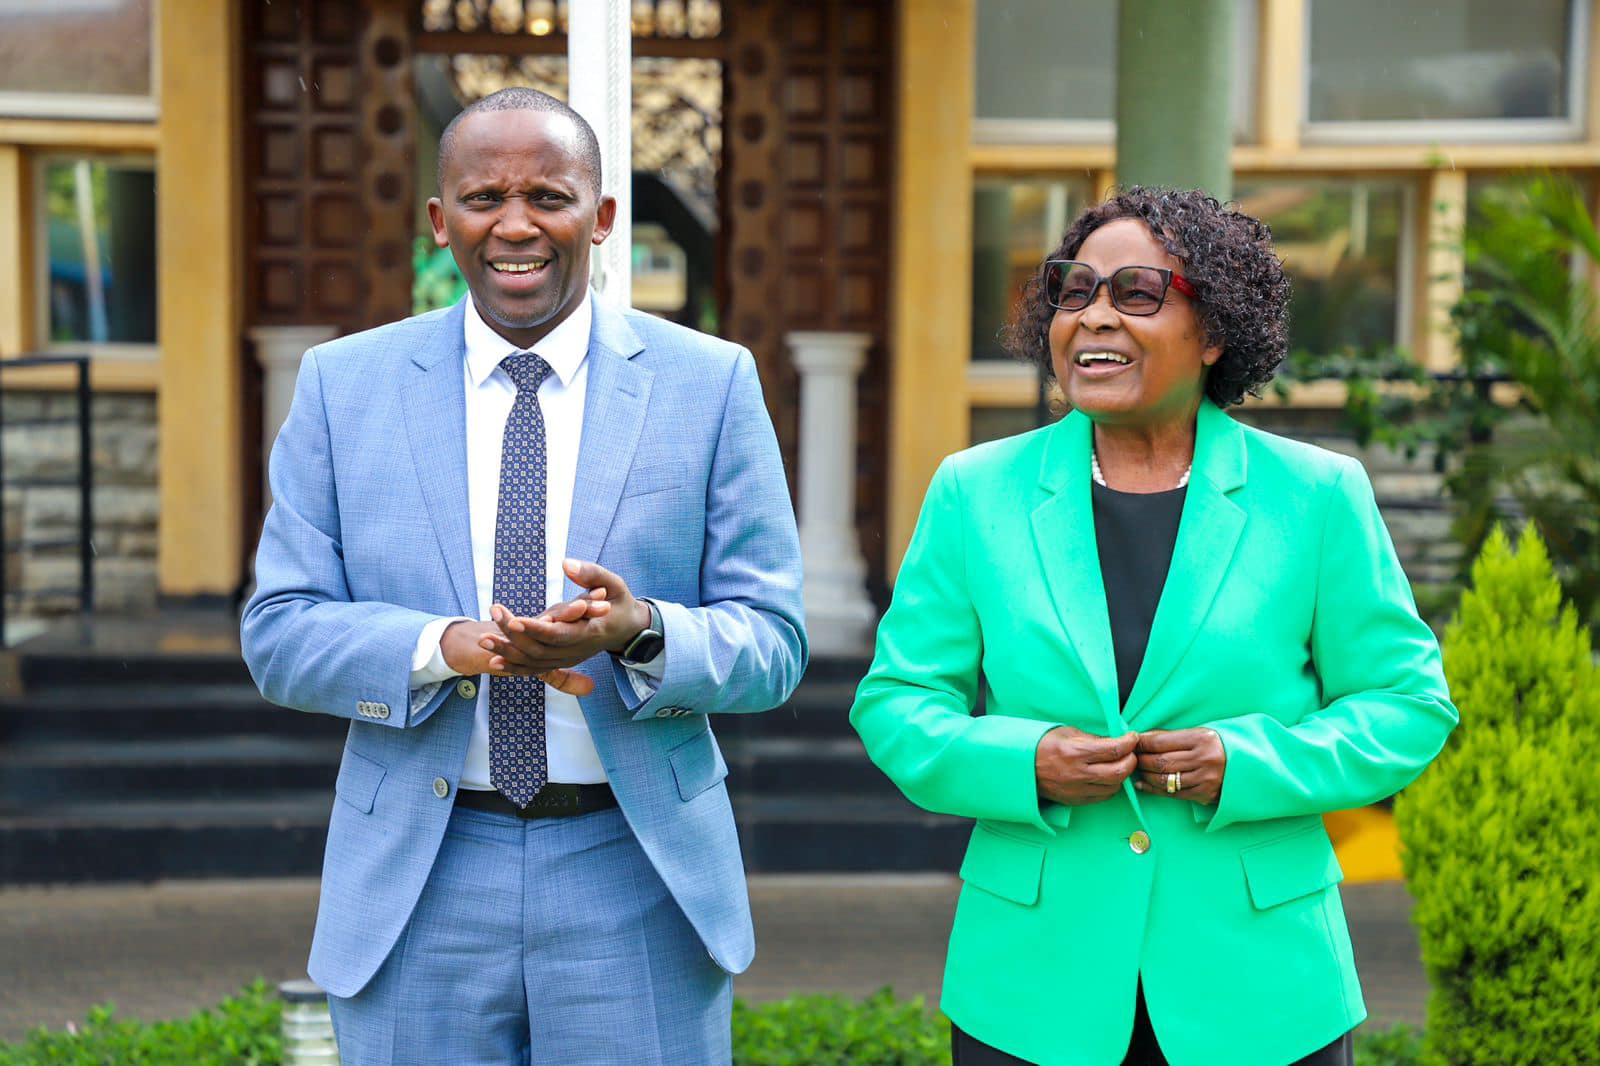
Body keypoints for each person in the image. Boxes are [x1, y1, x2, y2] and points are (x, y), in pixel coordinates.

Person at [241, 88, 806, 1065]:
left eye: (548, 195)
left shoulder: (710, 382)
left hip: (634, 870)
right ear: (439, 220)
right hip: (420, 873)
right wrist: (441, 647)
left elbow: (773, 640)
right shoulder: (344, 385)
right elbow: (280, 631)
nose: (514, 224)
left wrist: (637, 630)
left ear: (601, 217)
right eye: (483, 197)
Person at [850, 187, 1456, 1066]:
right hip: (1033, 981)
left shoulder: (1318, 496)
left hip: (1260, 984)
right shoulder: (973, 491)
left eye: (1136, 293)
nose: (1095, 316)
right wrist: (1026, 763)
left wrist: (1244, 764)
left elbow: (1407, 705)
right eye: (1074, 290)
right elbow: (899, 705)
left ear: (1214, 333)